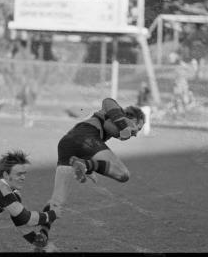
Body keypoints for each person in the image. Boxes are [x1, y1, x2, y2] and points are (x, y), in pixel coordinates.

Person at [35, 98, 145, 252]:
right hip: (85, 137)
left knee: (57, 200)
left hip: (68, 142)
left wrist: (90, 168)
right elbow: (108, 101)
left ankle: (42, 234)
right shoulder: (117, 114)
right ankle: (84, 164)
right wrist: (124, 124)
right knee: (123, 174)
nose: (135, 134)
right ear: (132, 118)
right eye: (137, 128)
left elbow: (97, 137)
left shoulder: (110, 123)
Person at [0, 150, 61, 249]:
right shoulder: (2, 191)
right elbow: (28, 218)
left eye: (24, 174)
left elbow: (20, 220)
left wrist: (36, 240)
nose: (23, 178)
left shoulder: (14, 194)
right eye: (18, 174)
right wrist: (52, 214)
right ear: (6, 175)